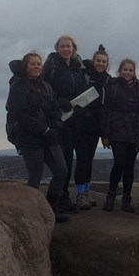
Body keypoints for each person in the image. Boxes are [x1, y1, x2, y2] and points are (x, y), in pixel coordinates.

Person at [6, 52, 68, 223]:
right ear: (25, 66)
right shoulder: (18, 87)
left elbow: (55, 108)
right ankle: (31, 214)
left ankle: (50, 208)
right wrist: (45, 130)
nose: (36, 67)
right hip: (29, 139)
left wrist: (56, 127)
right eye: (33, 64)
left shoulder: (46, 86)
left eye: (39, 64)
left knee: (61, 171)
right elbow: (22, 114)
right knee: (35, 177)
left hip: (49, 137)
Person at [42, 34, 88, 214]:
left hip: (73, 119)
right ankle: (56, 199)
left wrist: (80, 107)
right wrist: (59, 101)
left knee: (68, 158)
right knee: (60, 161)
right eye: (62, 46)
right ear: (57, 48)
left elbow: (81, 90)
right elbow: (44, 87)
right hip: (56, 118)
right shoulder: (52, 66)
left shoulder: (77, 68)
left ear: (73, 48)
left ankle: (64, 196)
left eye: (68, 46)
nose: (66, 49)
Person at [100, 59, 139, 212]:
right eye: (125, 69)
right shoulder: (112, 86)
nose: (127, 72)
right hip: (117, 128)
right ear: (120, 70)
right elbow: (105, 111)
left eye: (130, 70)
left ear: (134, 72)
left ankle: (126, 199)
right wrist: (104, 134)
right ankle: (110, 196)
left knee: (130, 166)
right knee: (119, 162)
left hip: (134, 130)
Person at [81, 44, 112, 208]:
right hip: (80, 122)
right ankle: (80, 194)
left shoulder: (108, 80)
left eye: (104, 61)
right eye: (98, 60)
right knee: (82, 159)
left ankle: (86, 191)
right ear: (93, 61)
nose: (100, 63)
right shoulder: (83, 75)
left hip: (95, 124)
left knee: (88, 159)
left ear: (107, 64)